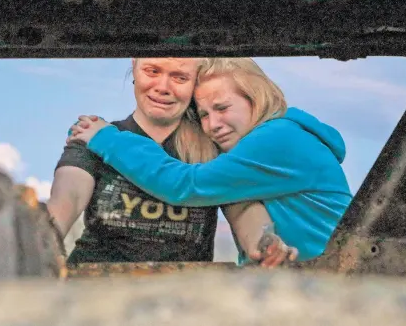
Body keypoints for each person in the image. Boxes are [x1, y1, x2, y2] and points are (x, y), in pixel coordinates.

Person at [68, 57, 353, 263]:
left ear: (256, 98)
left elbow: (186, 185)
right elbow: (245, 209)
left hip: (345, 279)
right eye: (204, 114)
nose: (212, 125)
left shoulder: (278, 139)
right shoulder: (273, 144)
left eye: (222, 108)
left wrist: (107, 138)